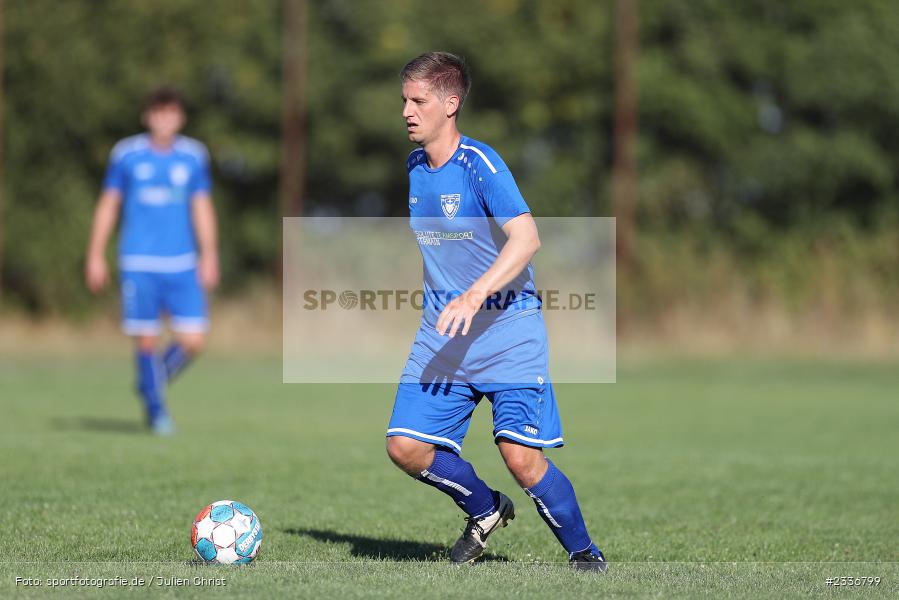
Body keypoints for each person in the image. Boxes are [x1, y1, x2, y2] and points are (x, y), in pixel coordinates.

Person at [385, 52, 607, 571]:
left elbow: (527, 239)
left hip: (508, 328)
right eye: (404, 101)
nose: (406, 112)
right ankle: (484, 510)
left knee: (521, 458)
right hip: (444, 334)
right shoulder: (415, 167)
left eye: (418, 101)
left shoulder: (481, 165)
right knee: (405, 447)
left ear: (450, 103)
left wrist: (474, 293)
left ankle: (584, 555)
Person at [85, 87, 219, 435]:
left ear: (181, 117)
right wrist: (95, 254)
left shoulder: (193, 156)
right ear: (148, 116)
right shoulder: (127, 154)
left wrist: (210, 254)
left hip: (182, 262)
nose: (164, 120)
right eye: (158, 113)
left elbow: (201, 207)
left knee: (194, 339)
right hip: (139, 260)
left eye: (171, 113)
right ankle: (157, 411)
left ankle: (150, 380)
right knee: (146, 337)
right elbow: (108, 204)